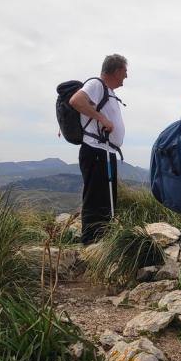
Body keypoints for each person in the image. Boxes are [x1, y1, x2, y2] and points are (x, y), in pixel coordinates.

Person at [69, 54, 128, 245]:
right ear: (117, 70)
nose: (126, 76)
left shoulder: (108, 91)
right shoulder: (96, 85)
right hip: (95, 150)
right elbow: (76, 101)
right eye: (125, 72)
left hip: (105, 151)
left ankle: (102, 242)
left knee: (105, 200)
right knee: (95, 198)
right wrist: (102, 119)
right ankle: (89, 244)